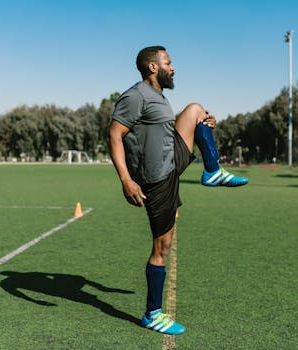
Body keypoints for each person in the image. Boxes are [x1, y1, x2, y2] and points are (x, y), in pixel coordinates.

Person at [109, 46, 248, 335]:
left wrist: (203, 127)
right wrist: (126, 179)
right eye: (168, 63)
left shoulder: (159, 98)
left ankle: (212, 171)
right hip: (156, 178)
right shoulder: (135, 96)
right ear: (152, 67)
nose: (173, 68)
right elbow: (114, 134)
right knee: (163, 246)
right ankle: (152, 314)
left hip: (172, 160)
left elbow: (166, 130)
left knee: (196, 110)